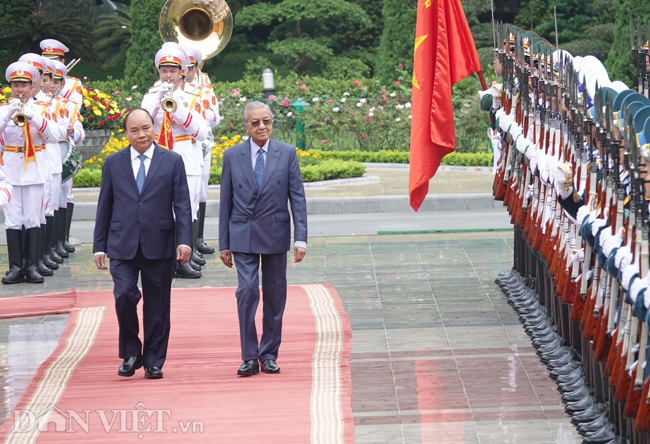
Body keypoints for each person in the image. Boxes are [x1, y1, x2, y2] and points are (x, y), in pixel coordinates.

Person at [93, 108, 193, 379]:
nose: (141, 134)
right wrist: (99, 245)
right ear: (125, 134)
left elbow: (182, 204)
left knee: (157, 305)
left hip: (159, 242)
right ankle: (131, 352)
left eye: (146, 128)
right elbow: (105, 205)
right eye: (134, 130)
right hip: (122, 243)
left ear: (154, 128)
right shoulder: (113, 163)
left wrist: (185, 241)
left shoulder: (172, 160)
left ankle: (153, 360)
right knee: (124, 295)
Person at [219, 101, 308, 376]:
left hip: (275, 233)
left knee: (274, 296)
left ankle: (268, 353)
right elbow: (225, 201)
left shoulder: (287, 153)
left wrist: (300, 238)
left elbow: (297, 197)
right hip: (242, 233)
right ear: (246, 125)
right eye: (255, 122)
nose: (262, 127)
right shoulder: (232, 155)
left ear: (272, 123)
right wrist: (224, 243)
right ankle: (249, 355)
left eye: (266, 121)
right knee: (246, 292)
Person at [141, 46, 208, 279]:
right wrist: (157, 100)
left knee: (185, 212)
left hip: (185, 159)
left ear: (182, 72)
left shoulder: (192, 97)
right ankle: (163, 261)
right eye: (164, 71)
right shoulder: (150, 96)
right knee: (161, 212)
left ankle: (183, 261)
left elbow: (201, 132)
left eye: (172, 71)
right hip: (158, 160)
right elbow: (140, 123)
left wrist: (178, 110)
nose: (168, 75)